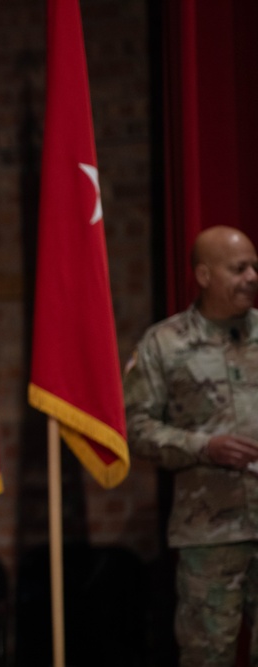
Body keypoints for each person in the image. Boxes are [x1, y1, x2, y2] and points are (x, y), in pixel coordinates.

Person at [124, 225, 258, 666]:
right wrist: (204, 447)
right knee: (207, 657)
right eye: (239, 269)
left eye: (254, 267)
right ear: (204, 275)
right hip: (210, 534)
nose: (252, 277)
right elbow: (136, 426)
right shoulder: (164, 345)